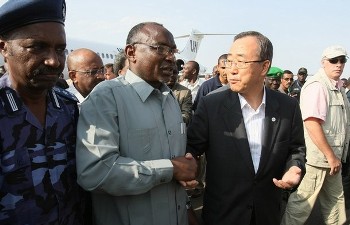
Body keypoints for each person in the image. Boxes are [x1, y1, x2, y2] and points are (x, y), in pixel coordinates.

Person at [75, 22, 198, 225]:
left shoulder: (170, 99)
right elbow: (95, 173)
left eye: (172, 51)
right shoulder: (106, 98)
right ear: (131, 52)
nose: (171, 58)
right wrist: (170, 169)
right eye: (161, 49)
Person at [186, 31, 306, 225]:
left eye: (240, 62)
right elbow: (191, 148)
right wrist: (187, 167)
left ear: (264, 67)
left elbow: (296, 150)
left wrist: (294, 167)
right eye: (229, 62)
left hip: (267, 213)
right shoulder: (211, 105)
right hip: (223, 214)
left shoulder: (287, 107)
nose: (231, 70)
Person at [0, 0, 88, 224]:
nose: (53, 61)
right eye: (37, 47)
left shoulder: (68, 107)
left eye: (60, 49)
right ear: (3, 48)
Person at [282, 46, 350, 225]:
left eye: (342, 60)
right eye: (334, 60)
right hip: (318, 158)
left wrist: (335, 157)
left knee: (335, 202)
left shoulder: (337, 86)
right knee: (302, 203)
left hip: (332, 158)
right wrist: (330, 156)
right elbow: (312, 124)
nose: (339, 64)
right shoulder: (318, 86)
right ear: (323, 62)